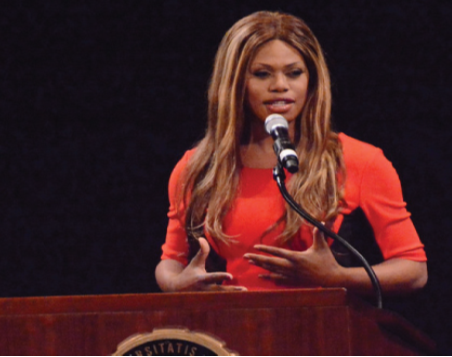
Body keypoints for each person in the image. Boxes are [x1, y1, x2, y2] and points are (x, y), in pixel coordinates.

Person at [155, 11, 428, 297]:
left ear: (311, 80)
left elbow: (413, 269)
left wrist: (337, 277)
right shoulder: (197, 168)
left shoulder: (359, 161)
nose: (280, 86)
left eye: (294, 72)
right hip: (226, 334)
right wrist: (176, 284)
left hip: (321, 333)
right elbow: (171, 260)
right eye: (262, 74)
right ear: (234, 83)